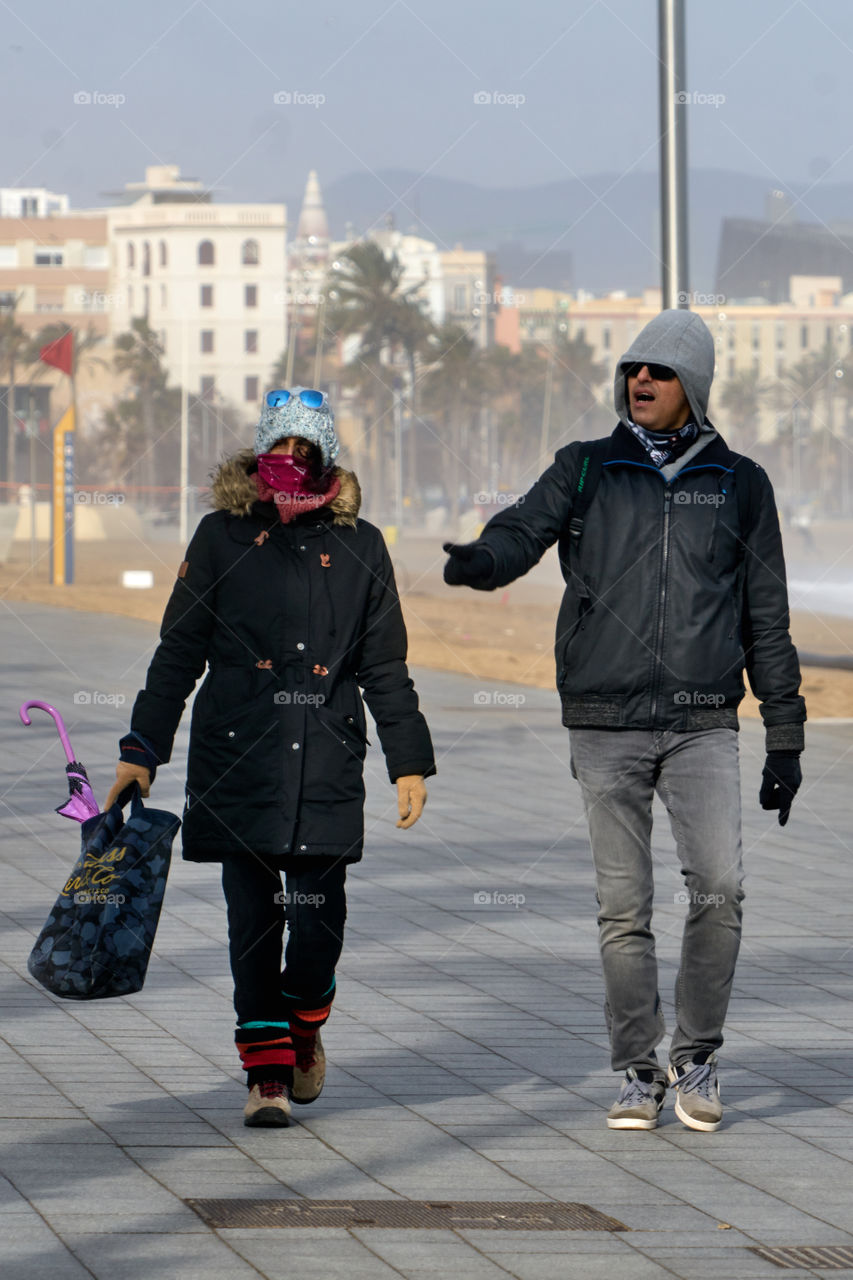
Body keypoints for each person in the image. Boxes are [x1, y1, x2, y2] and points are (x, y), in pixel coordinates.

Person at [443, 310, 805, 1132]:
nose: (639, 381)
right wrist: (481, 563)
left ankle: (697, 1055)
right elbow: (520, 531)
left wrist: (783, 737)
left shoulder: (740, 484)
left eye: (660, 371)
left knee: (718, 889)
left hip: (703, 721)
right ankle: (638, 1072)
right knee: (623, 908)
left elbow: (767, 619)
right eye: (632, 367)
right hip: (603, 719)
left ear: (694, 387)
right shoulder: (584, 469)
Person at [106, 387, 435, 1128]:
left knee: (316, 926)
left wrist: (408, 762)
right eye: (276, 449)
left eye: (303, 450)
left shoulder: (362, 546)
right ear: (259, 455)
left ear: (323, 458)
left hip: (324, 760)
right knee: (252, 923)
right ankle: (266, 1076)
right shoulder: (221, 536)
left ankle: (305, 1024)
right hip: (237, 759)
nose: (288, 463)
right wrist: (141, 749)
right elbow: (179, 650)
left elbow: (384, 665)